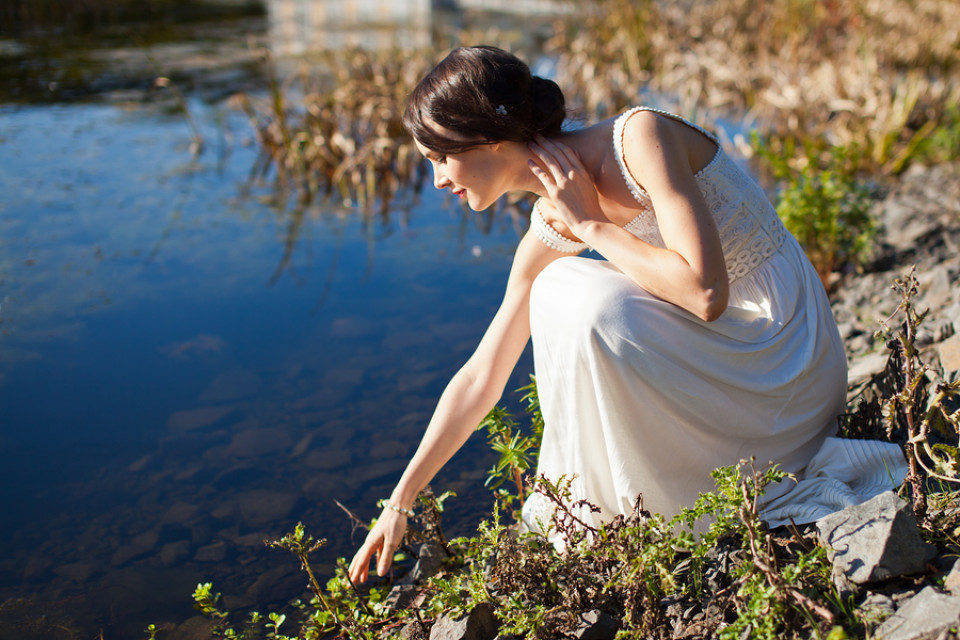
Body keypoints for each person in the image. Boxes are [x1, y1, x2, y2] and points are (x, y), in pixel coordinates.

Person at [347, 45, 905, 584]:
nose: (439, 179)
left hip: (784, 354)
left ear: (488, 138)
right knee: (556, 292)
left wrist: (594, 226)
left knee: (576, 291)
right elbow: (482, 374)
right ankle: (640, 501)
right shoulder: (551, 223)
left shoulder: (640, 137)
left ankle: (668, 501)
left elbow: (706, 295)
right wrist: (402, 499)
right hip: (729, 371)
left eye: (442, 157)